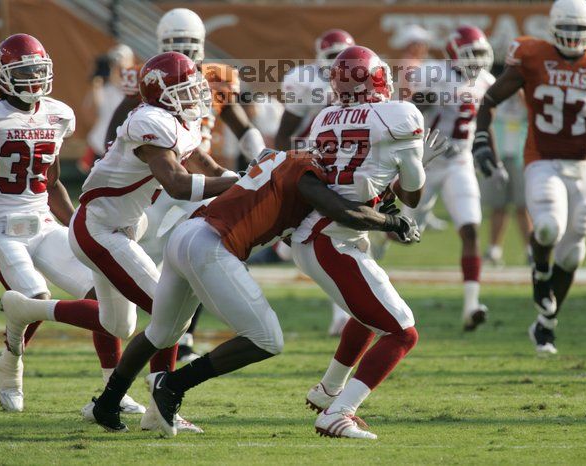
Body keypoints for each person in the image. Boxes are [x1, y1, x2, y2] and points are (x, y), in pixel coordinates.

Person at [78, 147, 424, 435]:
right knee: (266, 339)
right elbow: (339, 208)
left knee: (160, 332)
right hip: (211, 245)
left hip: (187, 234)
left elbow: (324, 208)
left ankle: (106, 405)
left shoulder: (285, 159)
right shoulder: (307, 171)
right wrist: (392, 221)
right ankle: (173, 386)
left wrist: (382, 200)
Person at [0, 51, 237, 432]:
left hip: (119, 226)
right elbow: (177, 184)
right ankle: (162, 409)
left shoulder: (175, 120)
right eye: (186, 88)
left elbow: (204, 166)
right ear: (163, 92)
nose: (195, 96)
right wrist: (241, 183)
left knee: (119, 324)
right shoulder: (149, 121)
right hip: (98, 229)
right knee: (169, 310)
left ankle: (27, 311)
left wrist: (247, 177)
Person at [292, 46, 449, 439]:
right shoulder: (398, 114)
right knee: (402, 332)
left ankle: (328, 390)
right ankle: (339, 412)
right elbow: (409, 196)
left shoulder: (324, 118)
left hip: (322, 233)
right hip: (333, 239)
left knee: (367, 318)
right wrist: (417, 163)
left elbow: (365, 184)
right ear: (377, 79)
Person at [0, 34, 143, 415]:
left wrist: (77, 226)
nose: (33, 79)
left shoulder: (58, 114)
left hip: (42, 221)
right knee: (35, 295)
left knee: (100, 293)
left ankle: (113, 390)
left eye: (38, 70)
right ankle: (11, 364)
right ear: (3, 75)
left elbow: (52, 182)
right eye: (23, 72)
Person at [107, 8, 266, 362]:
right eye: (174, 43)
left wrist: (261, 157)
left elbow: (242, 127)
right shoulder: (152, 75)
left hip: (200, 176)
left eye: (189, 43)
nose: (183, 49)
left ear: (202, 45)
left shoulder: (216, 77)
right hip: (157, 180)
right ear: (160, 43)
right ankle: (144, 329)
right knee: (149, 258)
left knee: (202, 251)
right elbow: (117, 123)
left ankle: (185, 336)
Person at [474, 0, 586, 354]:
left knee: (573, 253)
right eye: (567, 29)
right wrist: (482, 141)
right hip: (542, 158)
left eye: (578, 30)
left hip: (583, 164)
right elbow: (490, 99)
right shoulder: (532, 56)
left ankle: (545, 324)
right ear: (553, 27)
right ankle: (540, 275)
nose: (572, 37)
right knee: (546, 227)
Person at [402, 26, 497, 331]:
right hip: (425, 163)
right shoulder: (432, 73)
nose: (477, 61)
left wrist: (487, 152)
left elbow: (485, 119)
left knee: (470, 229)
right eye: (472, 55)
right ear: (454, 54)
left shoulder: (486, 81)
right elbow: (408, 109)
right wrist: (432, 96)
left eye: (481, 54)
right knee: (398, 234)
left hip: (459, 162)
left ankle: (471, 305)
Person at [276, 28, 356, 336]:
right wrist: (292, 166)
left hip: (345, 169)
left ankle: (343, 315)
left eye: (343, 56)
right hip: (313, 167)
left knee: (344, 240)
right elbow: (286, 132)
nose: (338, 63)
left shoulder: (363, 84)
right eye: (332, 57)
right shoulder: (307, 83)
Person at [481, 91, 533, 267]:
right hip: (499, 155)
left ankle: (530, 250)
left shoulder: (525, 96)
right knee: (498, 206)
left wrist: (522, 95)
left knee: (522, 206)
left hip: (521, 156)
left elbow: (534, 114)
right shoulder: (497, 95)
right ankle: (494, 250)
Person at [78, 44, 134, 173]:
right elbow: (91, 114)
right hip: (100, 146)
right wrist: (95, 81)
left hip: (123, 150)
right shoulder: (103, 88)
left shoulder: (133, 90)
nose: (118, 69)